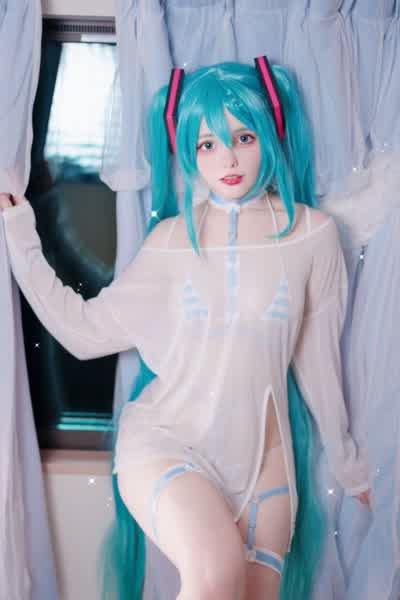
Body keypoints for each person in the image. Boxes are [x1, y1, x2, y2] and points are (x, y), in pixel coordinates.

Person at [0, 60, 371, 600]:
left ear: (270, 133)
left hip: (268, 471)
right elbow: (82, 333)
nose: (227, 160)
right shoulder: (171, 243)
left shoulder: (312, 236)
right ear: (188, 153)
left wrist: (350, 465)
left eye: (243, 138)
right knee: (216, 574)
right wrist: (20, 233)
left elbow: (318, 361)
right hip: (168, 444)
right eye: (207, 145)